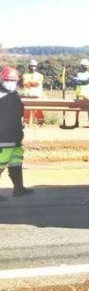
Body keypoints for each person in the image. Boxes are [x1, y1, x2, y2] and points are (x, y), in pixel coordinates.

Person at [0, 66, 34, 200]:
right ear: (2, 79)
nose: (11, 83)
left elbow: (19, 113)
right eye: (8, 80)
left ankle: (18, 188)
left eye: (13, 80)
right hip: (2, 138)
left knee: (16, 162)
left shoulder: (15, 95)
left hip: (15, 137)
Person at [22, 59, 45, 125]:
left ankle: (41, 123)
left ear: (36, 67)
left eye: (34, 66)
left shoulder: (40, 75)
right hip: (28, 96)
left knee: (39, 110)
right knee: (27, 110)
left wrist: (29, 83)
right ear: (28, 66)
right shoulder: (24, 75)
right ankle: (26, 123)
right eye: (31, 66)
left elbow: (37, 84)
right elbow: (25, 84)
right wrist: (33, 83)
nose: (32, 67)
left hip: (37, 96)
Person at [74, 59, 89, 128]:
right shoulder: (77, 73)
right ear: (81, 66)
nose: (86, 67)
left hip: (88, 93)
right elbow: (76, 82)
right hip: (79, 93)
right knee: (77, 109)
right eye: (84, 66)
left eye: (86, 66)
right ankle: (76, 122)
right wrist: (86, 81)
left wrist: (81, 81)